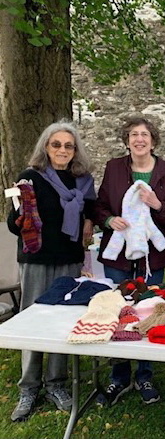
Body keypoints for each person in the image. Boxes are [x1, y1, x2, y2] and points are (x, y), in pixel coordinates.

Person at [7, 120, 96, 422]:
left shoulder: (82, 182)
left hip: (69, 259)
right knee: (33, 321)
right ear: (46, 147)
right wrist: (21, 214)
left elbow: (93, 212)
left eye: (68, 146)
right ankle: (29, 386)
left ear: (75, 151)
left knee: (62, 323)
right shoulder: (29, 179)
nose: (62, 150)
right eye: (56, 144)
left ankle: (56, 383)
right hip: (36, 259)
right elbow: (13, 225)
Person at [94, 118, 165, 406]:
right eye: (134, 134)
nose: (139, 139)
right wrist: (108, 219)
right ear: (127, 140)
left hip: (151, 256)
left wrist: (157, 204)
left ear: (153, 141)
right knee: (118, 309)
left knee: (147, 310)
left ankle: (145, 374)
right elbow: (99, 206)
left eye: (145, 135)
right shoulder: (114, 168)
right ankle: (118, 375)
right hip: (119, 252)